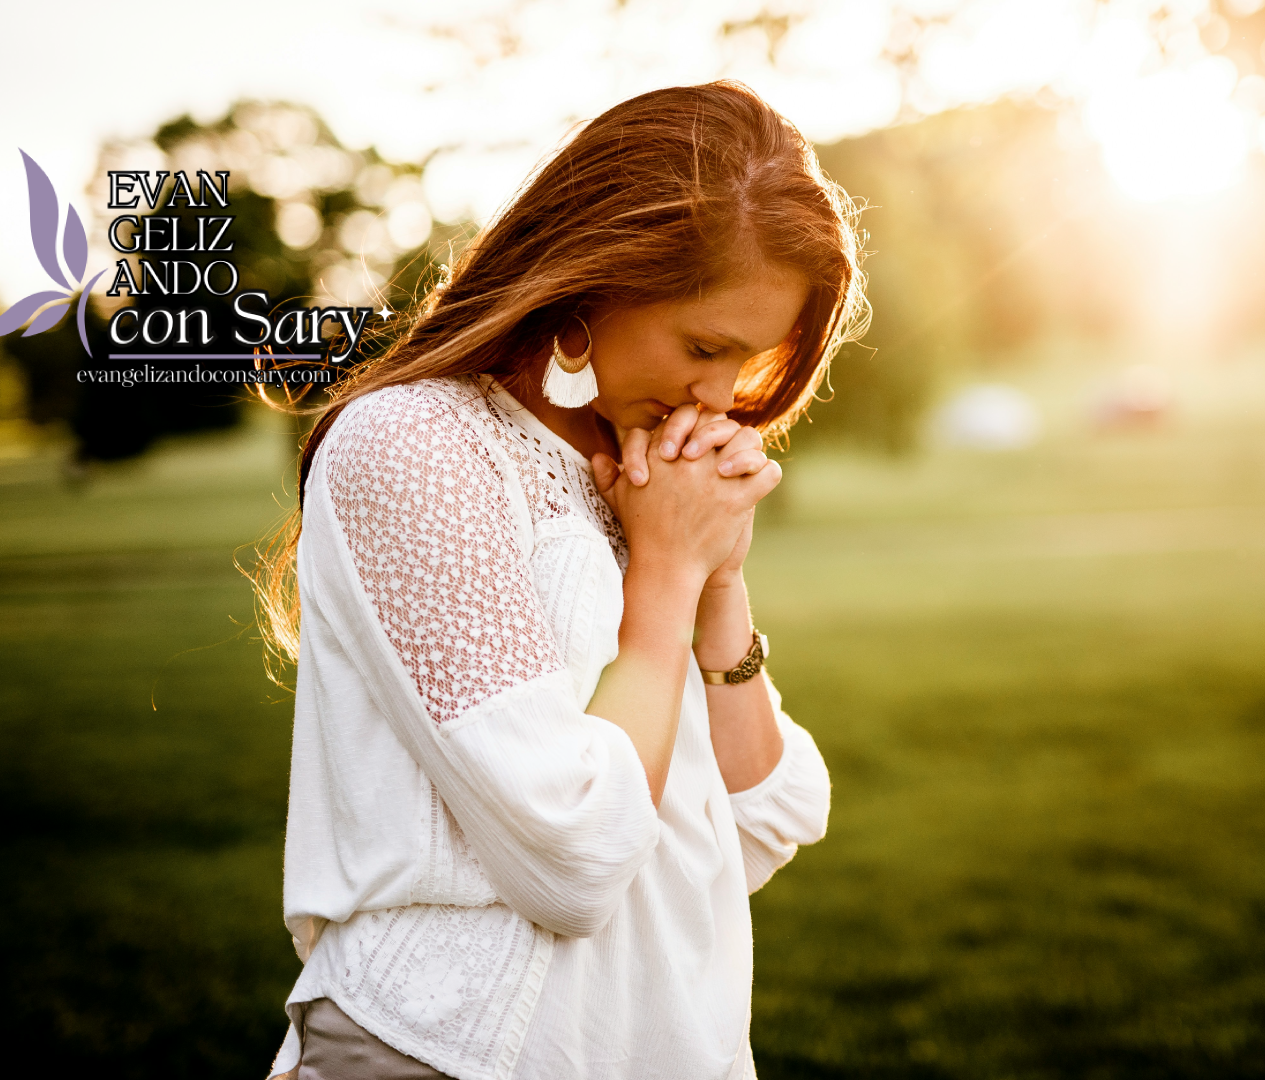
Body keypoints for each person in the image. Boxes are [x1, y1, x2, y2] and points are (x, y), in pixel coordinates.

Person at [255, 81, 868, 1080]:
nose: (719, 398)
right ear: (593, 279)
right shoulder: (418, 447)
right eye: (704, 347)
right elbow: (576, 854)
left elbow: (765, 818)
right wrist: (666, 575)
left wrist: (716, 578)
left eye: (748, 361)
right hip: (443, 1054)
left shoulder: (641, 471)